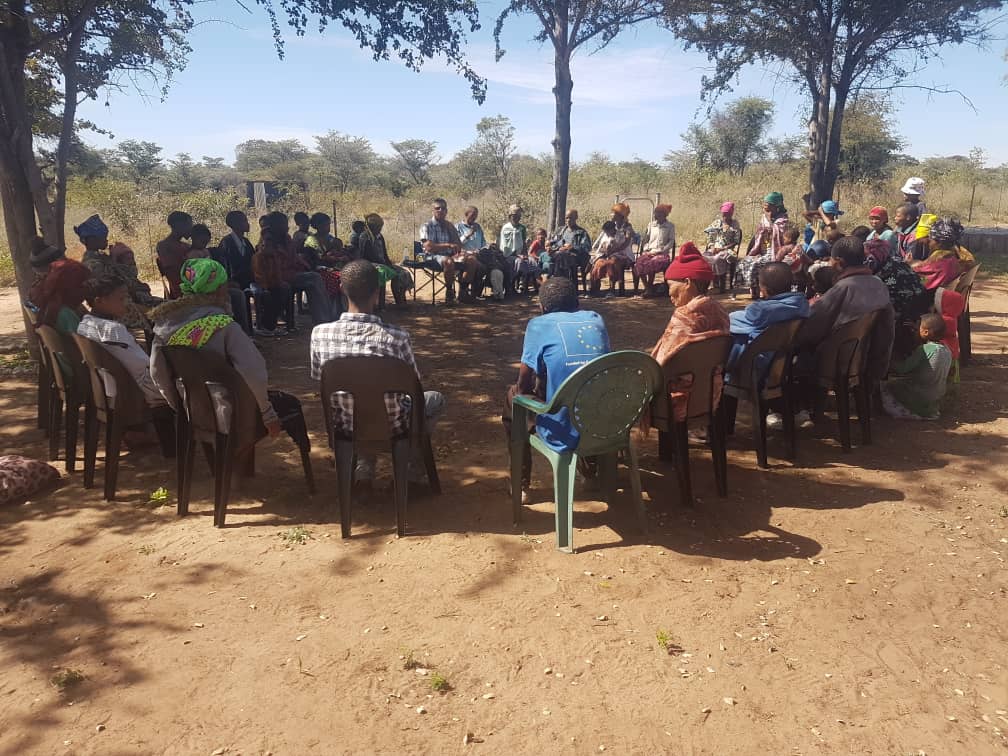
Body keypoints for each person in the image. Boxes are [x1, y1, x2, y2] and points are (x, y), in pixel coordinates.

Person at [309, 260, 445, 485]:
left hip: (346, 426)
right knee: (435, 399)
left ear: (342, 289)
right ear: (377, 292)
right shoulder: (397, 337)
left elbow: (319, 378)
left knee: (358, 401)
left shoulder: (319, 335)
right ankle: (411, 470)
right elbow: (414, 387)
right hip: (392, 427)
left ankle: (364, 469)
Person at [503, 276, 610, 501]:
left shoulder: (538, 325)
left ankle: (520, 483)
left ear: (542, 307)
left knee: (513, 397)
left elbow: (523, 384)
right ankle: (590, 472)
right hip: (603, 422)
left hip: (563, 427)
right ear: (578, 304)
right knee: (584, 392)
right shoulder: (595, 319)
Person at [149, 258, 282, 437]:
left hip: (192, 412)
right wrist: (267, 414)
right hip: (231, 416)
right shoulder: (224, 326)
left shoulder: (163, 327)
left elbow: (157, 373)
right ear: (219, 289)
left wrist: (179, 406)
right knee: (288, 405)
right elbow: (253, 374)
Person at [797, 235, 895, 389]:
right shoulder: (879, 284)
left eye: (831, 260)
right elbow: (887, 329)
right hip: (866, 362)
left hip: (833, 364)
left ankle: (805, 400)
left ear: (839, 262)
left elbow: (810, 327)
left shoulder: (842, 288)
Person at [648, 244, 730, 422]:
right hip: (710, 395)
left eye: (670, 285)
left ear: (687, 283)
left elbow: (660, 364)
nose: (669, 293)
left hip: (680, 401)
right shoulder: (721, 311)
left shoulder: (684, 316)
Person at [727, 263, 810, 428]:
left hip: (757, 367)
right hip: (781, 364)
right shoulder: (800, 303)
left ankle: (725, 426)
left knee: (722, 367)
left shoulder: (760, 311)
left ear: (763, 288)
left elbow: (732, 321)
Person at [77, 274, 164, 407]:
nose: (127, 303)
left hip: (108, 392)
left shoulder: (84, 324)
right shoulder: (113, 330)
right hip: (138, 392)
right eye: (121, 299)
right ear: (99, 301)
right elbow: (144, 366)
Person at [76, 214, 160, 327]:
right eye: (102, 236)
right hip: (120, 310)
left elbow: (129, 276)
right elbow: (115, 292)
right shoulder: (93, 264)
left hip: (129, 302)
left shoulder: (102, 258)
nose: (106, 239)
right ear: (92, 239)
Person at [265, 210, 335, 326]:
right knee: (314, 278)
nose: (287, 227)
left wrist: (307, 267)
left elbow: (295, 257)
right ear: (274, 226)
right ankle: (324, 319)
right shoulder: (267, 242)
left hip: (292, 273)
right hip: (277, 277)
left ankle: (322, 318)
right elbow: (274, 266)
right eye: (283, 224)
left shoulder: (286, 238)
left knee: (314, 279)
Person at [880, 313, 951, 420]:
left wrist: (889, 360)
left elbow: (902, 369)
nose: (914, 331)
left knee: (886, 385)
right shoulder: (946, 349)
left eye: (917, 328)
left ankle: (903, 412)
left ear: (926, 332)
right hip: (936, 399)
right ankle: (928, 412)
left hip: (921, 397)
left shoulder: (923, 349)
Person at [863, 238, 929, 326]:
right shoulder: (895, 260)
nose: (864, 261)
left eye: (866, 257)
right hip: (921, 310)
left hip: (906, 319)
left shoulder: (881, 277)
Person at [738, 192, 790, 300]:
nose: (765, 205)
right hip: (763, 250)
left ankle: (764, 291)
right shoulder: (764, 218)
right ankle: (754, 290)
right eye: (765, 203)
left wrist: (770, 226)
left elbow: (781, 236)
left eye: (768, 203)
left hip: (776, 252)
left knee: (756, 264)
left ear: (775, 206)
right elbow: (758, 236)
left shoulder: (783, 220)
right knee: (745, 262)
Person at [252, 214, 295, 336]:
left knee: (284, 289)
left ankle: (273, 325)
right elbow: (258, 274)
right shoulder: (258, 257)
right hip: (261, 283)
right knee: (267, 295)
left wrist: (279, 282)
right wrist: (266, 286)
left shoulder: (275, 255)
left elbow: (278, 272)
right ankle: (266, 326)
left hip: (274, 282)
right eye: (265, 245)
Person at [30, 253, 91, 334]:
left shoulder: (55, 305)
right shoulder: (66, 315)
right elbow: (84, 340)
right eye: (81, 285)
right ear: (69, 288)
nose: (86, 288)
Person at [419, 198, 465, 304]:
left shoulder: (450, 226)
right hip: (431, 257)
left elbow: (458, 244)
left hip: (450, 256)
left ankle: (464, 292)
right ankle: (449, 292)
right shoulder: (426, 226)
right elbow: (429, 247)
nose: (440, 210)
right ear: (433, 210)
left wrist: (456, 248)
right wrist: (448, 245)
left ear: (446, 211)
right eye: (437, 208)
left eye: (443, 208)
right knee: (448, 261)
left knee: (471, 260)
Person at [912, 217, 976, 291]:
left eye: (931, 240)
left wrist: (908, 266)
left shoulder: (939, 263)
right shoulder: (952, 258)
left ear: (939, 243)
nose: (929, 243)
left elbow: (917, 277)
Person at [364, 213, 414, 305]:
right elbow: (366, 255)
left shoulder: (379, 236)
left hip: (382, 263)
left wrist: (389, 263)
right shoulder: (365, 237)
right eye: (378, 227)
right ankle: (381, 304)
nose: (380, 229)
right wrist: (384, 264)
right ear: (372, 227)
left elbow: (384, 252)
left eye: (380, 227)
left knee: (403, 273)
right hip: (370, 264)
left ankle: (400, 300)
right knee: (382, 273)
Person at [589, 203, 635, 296]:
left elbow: (625, 244)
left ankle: (612, 289)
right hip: (609, 253)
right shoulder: (610, 226)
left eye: (614, 213)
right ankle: (595, 288)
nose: (612, 215)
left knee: (613, 262)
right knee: (598, 263)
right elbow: (603, 242)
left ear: (620, 215)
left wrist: (613, 251)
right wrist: (604, 252)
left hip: (624, 254)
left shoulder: (627, 227)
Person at [635, 204, 676, 298]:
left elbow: (671, 241)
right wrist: (646, 248)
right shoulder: (651, 225)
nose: (656, 215)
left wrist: (662, 250)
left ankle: (649, 289)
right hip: (650, 251)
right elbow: (646, 239)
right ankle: (648, 288)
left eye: (659, 213)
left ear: (665, 215)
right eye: (655, 213)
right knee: (639, 263)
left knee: (652, 263)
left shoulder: (670, 226)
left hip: (662, 254)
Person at [702, 201, 743, 294]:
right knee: (705, 257)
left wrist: (722, 248)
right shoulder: (717, 223)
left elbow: (735, 241)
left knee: (718, 258)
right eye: (723, 214)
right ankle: (709, 283)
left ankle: (722, 285)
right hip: (715, 248)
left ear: (731, 214)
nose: (725, 217)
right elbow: (710, 236)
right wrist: (712, 246)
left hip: (728, 249)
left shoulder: (735, 224)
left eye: (727, 214)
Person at [550, 209, 592, 291]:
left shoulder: (581, 232)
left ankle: (569, 286)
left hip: (576, 256)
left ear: (576, 218)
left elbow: (587, 247)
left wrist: (573, 247)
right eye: (567, 218)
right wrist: (559, 247)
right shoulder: (560, 231)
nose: (568, 220)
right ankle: (560, 284)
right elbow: (553, 243)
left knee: (563, 256)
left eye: (571, 218)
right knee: (558, 256)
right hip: (561, 254)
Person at [156, 211, 193, 299]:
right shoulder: (164, 246)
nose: (191, 229)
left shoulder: (187, 246)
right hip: (182, 293)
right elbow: (174, 275)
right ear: (178, 225)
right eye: (188, 225)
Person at [500, 205, 536, 295]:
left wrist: (525, 254)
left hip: (520, 253)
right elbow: (505, 245)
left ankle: (526, 286)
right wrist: (516, 254)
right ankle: (512, 286)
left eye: (518, 216)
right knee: (519, 262)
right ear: (510, 216)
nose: (517, 218)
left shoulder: (522, 228)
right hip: (508, 254)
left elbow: (523, 242)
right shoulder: (506, 228)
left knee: (531, 261)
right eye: (514, 216)